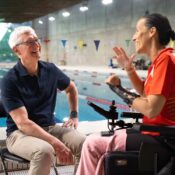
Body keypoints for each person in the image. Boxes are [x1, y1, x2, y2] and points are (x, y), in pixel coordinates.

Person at [76, 13, 175, 175]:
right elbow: (145, 93)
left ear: (152, 32)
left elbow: (151, 109)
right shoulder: (158, 63)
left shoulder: (166, 60)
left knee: (92, 143)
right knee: (98, 142)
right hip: (154, 132)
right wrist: (129, 69)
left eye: (137, 31)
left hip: (162, 137)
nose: (134, 37)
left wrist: (118, 90)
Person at [1, 26, 86, 175]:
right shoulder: (10, 80)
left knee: (86, 143)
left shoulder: (50, 70)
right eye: (29, 42)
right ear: (17, 50)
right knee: (44, 151)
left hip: (49, 127)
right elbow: (23, 123)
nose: (36, 45)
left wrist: (74, 114)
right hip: (19, 134)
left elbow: (71, 88)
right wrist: (56, 143)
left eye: (36, 40)